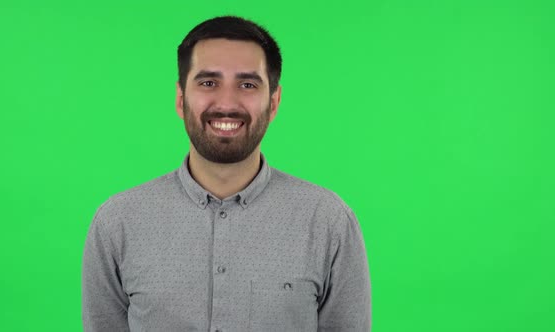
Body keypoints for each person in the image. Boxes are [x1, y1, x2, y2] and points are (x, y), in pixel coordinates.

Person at [82, 15, 371, 332]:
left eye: (247, 85)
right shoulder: (118, 222)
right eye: (208, 83)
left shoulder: (328, 221)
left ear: (273, 103)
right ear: (181, 99)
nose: (227, 103)